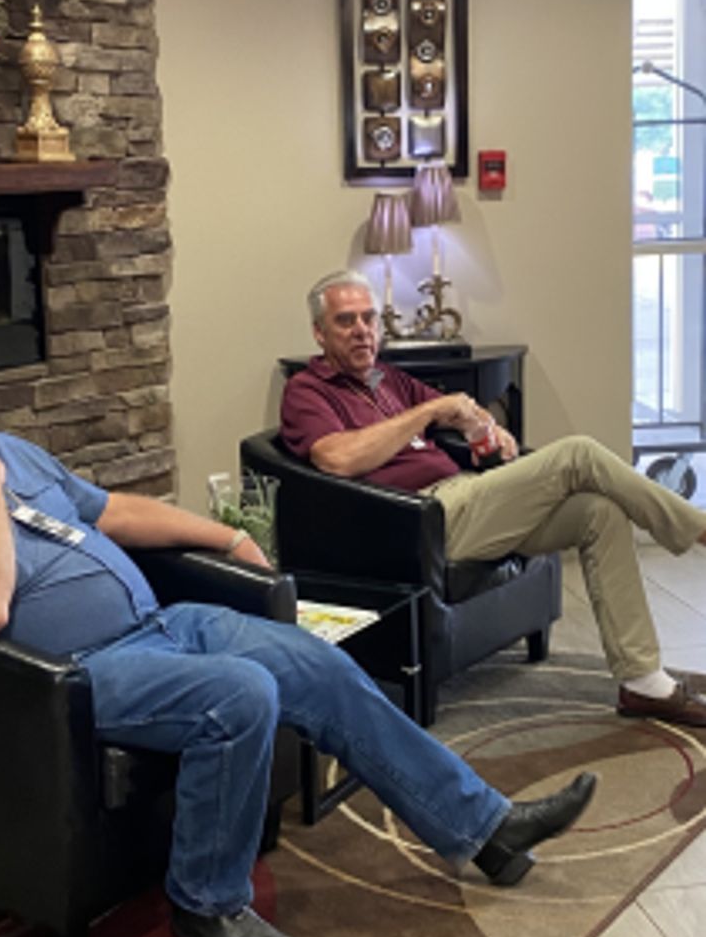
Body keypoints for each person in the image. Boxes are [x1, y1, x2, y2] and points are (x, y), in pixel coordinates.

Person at [0, 327, 597, 937]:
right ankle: (206, 903)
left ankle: (485, 829)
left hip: (159, 625)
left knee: (315, 661)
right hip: (72, 676)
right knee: (240, 694)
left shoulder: (7, 449)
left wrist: (228, 536)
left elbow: (111, 512)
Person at [281, 269, 706, 729]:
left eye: (369, 318)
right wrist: (429, 411)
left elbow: (463, 411)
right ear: (319, 333)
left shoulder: (389, 381)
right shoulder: (306, 391)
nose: (362, 330)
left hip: (468, 497)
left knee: (599, 512)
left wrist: (487, 427)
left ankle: (642, 683)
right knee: (579, 454)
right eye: (346, 321)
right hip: (422, 520)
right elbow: (337, 458)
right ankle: (697, 529)